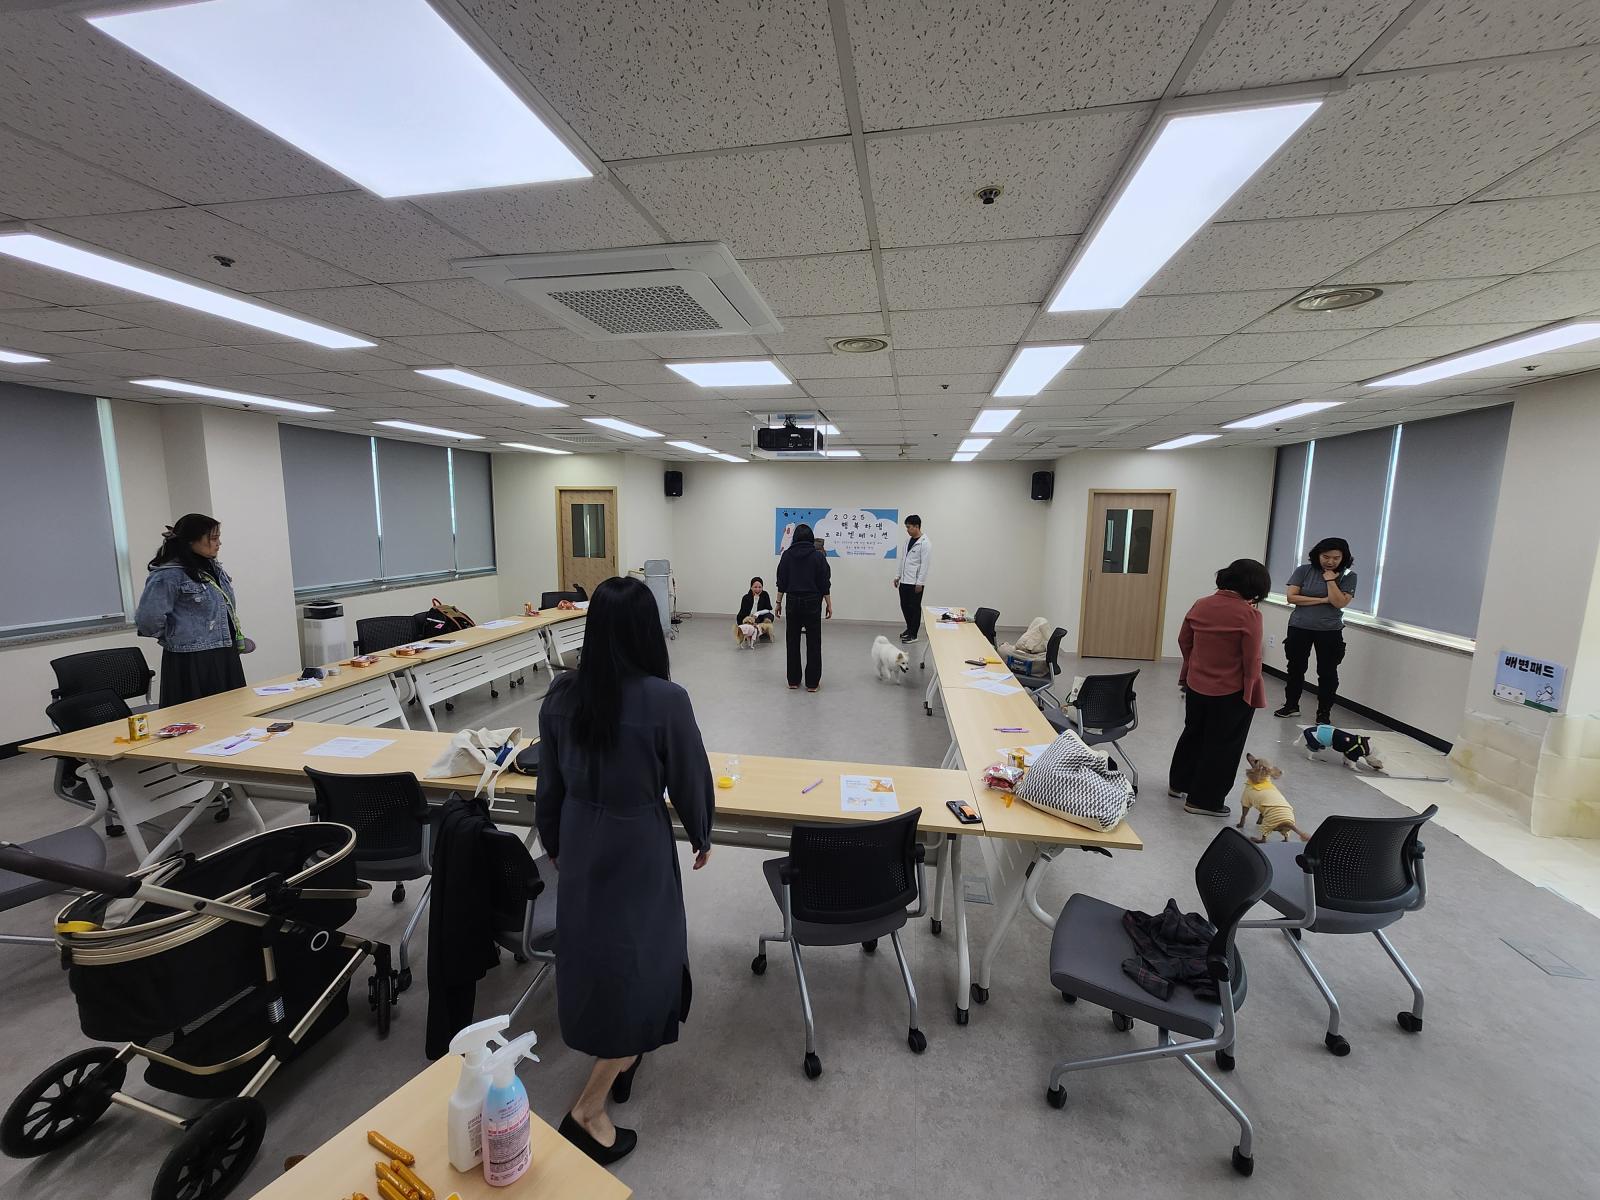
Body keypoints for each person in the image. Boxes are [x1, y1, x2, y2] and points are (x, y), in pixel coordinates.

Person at [535, 575, 714, 1165]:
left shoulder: (562, 694)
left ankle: (621, 1054)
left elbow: (549, 785)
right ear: (647, 632)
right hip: (637, 844)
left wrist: (556, 840)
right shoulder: (666, 700)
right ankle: (588, 1110)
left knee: (594, 955)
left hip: (580, 839)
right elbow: (690, 778)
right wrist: (702, 832)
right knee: (649, 961)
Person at [1168, 558, 1270, 816]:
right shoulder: (1249, 614)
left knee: (1193, 733)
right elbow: (1252, 658)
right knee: (1223, 745)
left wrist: (1194, 665)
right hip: (1231, 690)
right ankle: (1204, 801)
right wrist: (1251, 688)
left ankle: (1179, 784)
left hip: (1196, 684)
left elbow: (1184, 640)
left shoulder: (1201, 604)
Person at [134, 513, 254, 706]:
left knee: (232, 713)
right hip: (191, 659)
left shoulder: (213, 568)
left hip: (225, 653)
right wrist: (178, 634)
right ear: (191, 541)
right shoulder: (169, 574)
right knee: (197, 717)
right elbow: (147, 620)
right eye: (213, 538)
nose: (219, 543)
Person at [1275, 537, 1357, 724]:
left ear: (1343, 558)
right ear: (1318, 555)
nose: (1330, 561)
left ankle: (1323, 713)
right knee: (1295, 668)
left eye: (1336, 558)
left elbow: (1339, 602)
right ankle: (1291, 705)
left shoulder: (1349, 575)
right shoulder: (1303, 570)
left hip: (1330, 630)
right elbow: (1291, 597)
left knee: (1327, 672)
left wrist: (1330, 580)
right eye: (1326, 557)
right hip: (1299, 626)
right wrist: (1322, 600)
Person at [775, 523, 832, 691]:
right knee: (814, 642)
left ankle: (793, 680)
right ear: (810, 538)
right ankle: (812, 683)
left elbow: (781, 581)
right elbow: (824, 583)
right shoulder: (818, 557)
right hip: (813, 602)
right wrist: (829, 603)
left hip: (792, 601)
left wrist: (778, 603)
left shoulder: (787, 556)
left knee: (792, 641)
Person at [892, 514, 931, 643]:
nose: (907, 530)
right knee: (904, 606)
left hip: (915, 583)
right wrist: (897, 576)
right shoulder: (907, 541)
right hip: (904, 581)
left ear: (916, 526)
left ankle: (913, 635)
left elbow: (925, 565)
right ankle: (909, 629)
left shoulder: (925, 543)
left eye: (909, 527)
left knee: (914, 608)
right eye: (907, 527)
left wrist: (920, 582)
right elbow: (903, 560)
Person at [733, 576, 775, 647]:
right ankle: (749, 633)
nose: (758, 589)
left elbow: (768, 609)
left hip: (759, 616)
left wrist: (757, 613)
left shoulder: (765, 595)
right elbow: (742, 613)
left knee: (769, 616)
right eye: (755, 587)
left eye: (760, 587)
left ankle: (764, 633)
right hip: (749, 618)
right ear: (751, 587)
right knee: (750, 621)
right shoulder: (746, 598)